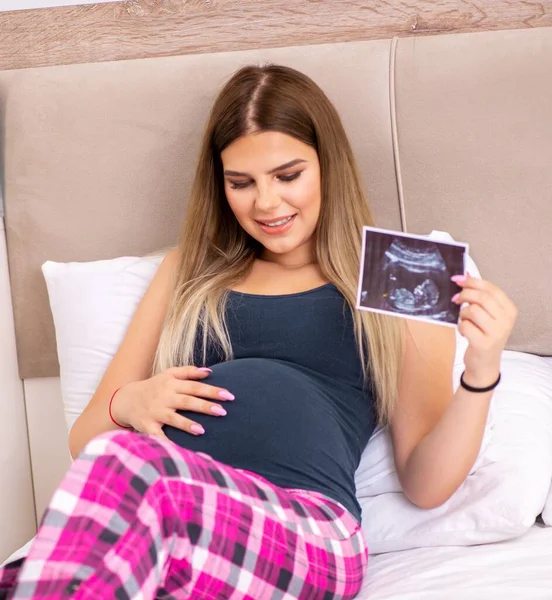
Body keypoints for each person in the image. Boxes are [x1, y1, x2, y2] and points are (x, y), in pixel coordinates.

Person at [0, 64, 517, 600]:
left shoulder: (395, 268)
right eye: (240, 183)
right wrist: (129, 402)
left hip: (304, 531)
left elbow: (426, 483)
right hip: (173, 515)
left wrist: (481, 370)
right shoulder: (189, 272)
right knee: (31, 571)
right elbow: (86, 440)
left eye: (287, 176)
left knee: (118, 476)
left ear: (327, 167)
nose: (266, 204)